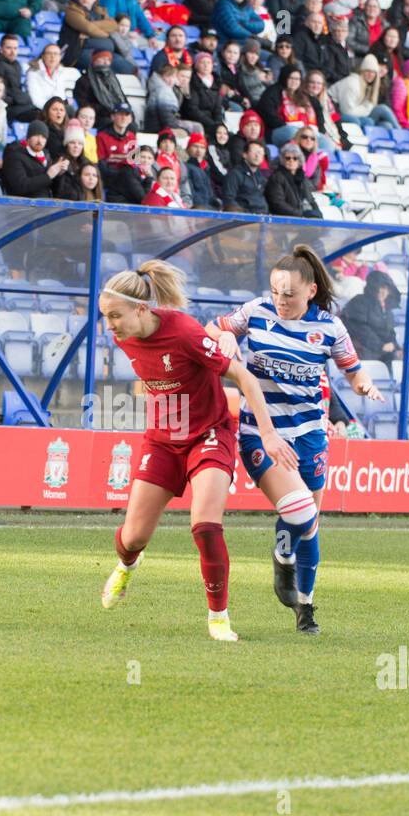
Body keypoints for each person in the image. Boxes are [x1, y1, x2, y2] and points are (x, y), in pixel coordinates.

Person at [97, 260, 298, 643]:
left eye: (115, 316)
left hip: (210, 433)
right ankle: (127, 564)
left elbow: (244, 377)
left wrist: (269, 435)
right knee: (133, 537)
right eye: (106, 317)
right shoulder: (124, 337)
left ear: (142, 309)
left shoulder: (184, 332)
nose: (110, 326)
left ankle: (218, 617)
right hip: (161, 439)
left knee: (204, 524)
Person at [204, 246, 383, 633]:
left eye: (288, 295)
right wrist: (225, 338)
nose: (280, 301)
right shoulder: (255, 312)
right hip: (259, 433)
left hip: (309, 434)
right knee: (299, 509)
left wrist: (363, 384)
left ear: (311, 292)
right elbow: (210, 328)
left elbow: (352, 370)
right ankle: (289, 568)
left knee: (309, 522)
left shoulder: (330, 328)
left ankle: (305, 604)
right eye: (275, 292)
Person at [340, 268, 399, 361]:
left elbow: (390, 332)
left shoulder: (387, 310)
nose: (382, 291)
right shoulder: (359, 302)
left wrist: (394, 345)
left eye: (386, 288)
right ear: (372, 287)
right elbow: (360, 330)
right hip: (358, 351)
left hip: (379, 351)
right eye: (379, 287)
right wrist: (380, 346)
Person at [2, 119, 69, 196]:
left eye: (43, 137)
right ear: (28, 138)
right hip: (22, 206)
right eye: (36, 135)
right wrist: (48, 176)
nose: (39, 140)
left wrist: (58, 174)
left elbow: (53, 189)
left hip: (45, 204)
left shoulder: (46, 156)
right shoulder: (14, 156)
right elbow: (20, 186)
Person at [265, 142, 322, 218]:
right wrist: (301, 214)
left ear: (299, 161)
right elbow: (278, 203)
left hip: (299, 218)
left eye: (295, 158)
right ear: (282, 160)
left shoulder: (302, 178)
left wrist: (318, 214)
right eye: (288, 158)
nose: (291, 160)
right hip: (284, 221)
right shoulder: (276, 177)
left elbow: (310, 200)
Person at [221, 137, 268, 213]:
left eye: (260, 153)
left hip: (263, 218)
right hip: (244, 220)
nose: (257, 155)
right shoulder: (235, 174)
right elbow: (228, 199)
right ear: (244, 155)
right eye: (254, 152)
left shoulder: (261, 177)